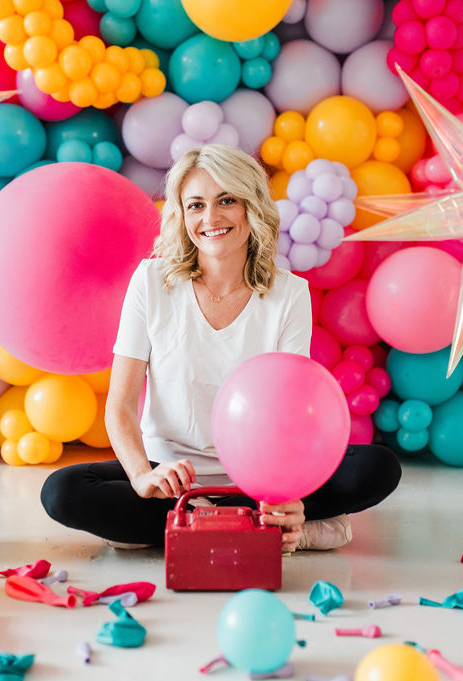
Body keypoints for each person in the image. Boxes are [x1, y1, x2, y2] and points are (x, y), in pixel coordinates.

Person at [41, 144, 400, 553]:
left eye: (226, 200)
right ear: (181, 214)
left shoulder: (289, 294)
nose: (210, 218)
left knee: (376, 467)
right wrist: (142, 477)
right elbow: (120, 405)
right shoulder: (151, 281)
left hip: (257, 477)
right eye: (195, 205)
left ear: (251, 207)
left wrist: (288, 494)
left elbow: (291, 416)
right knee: (62, 490)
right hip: (171, 475)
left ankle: (197, 526)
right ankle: (261, 529)